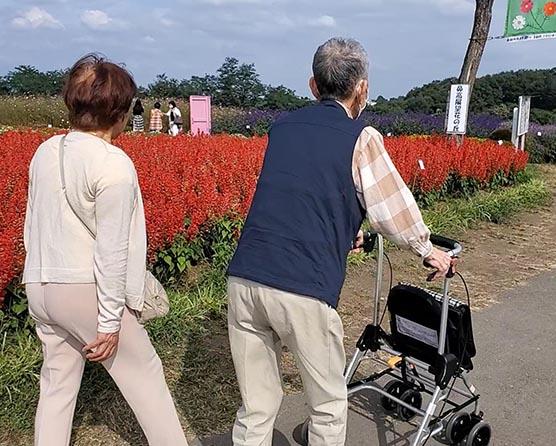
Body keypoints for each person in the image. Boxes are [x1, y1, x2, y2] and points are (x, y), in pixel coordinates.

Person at [225, 37, 454, 446]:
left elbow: (300, 192)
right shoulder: (361, 137)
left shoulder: (282, 127)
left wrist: (348, 231)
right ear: (362, 88)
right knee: (328, 405)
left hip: (245, 278)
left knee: (256, 404)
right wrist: (427, 249)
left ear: (313, 86)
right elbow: (392, 208)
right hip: (303, 287)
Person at [22, 54, 189, 446]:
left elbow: (32, 225)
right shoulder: (113, 164)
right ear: (119, 111)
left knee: (57, 386)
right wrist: (110, 321)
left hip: (42, 284)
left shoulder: (46, 151)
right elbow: (112, 252)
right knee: (145, 376)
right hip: (86, 290)